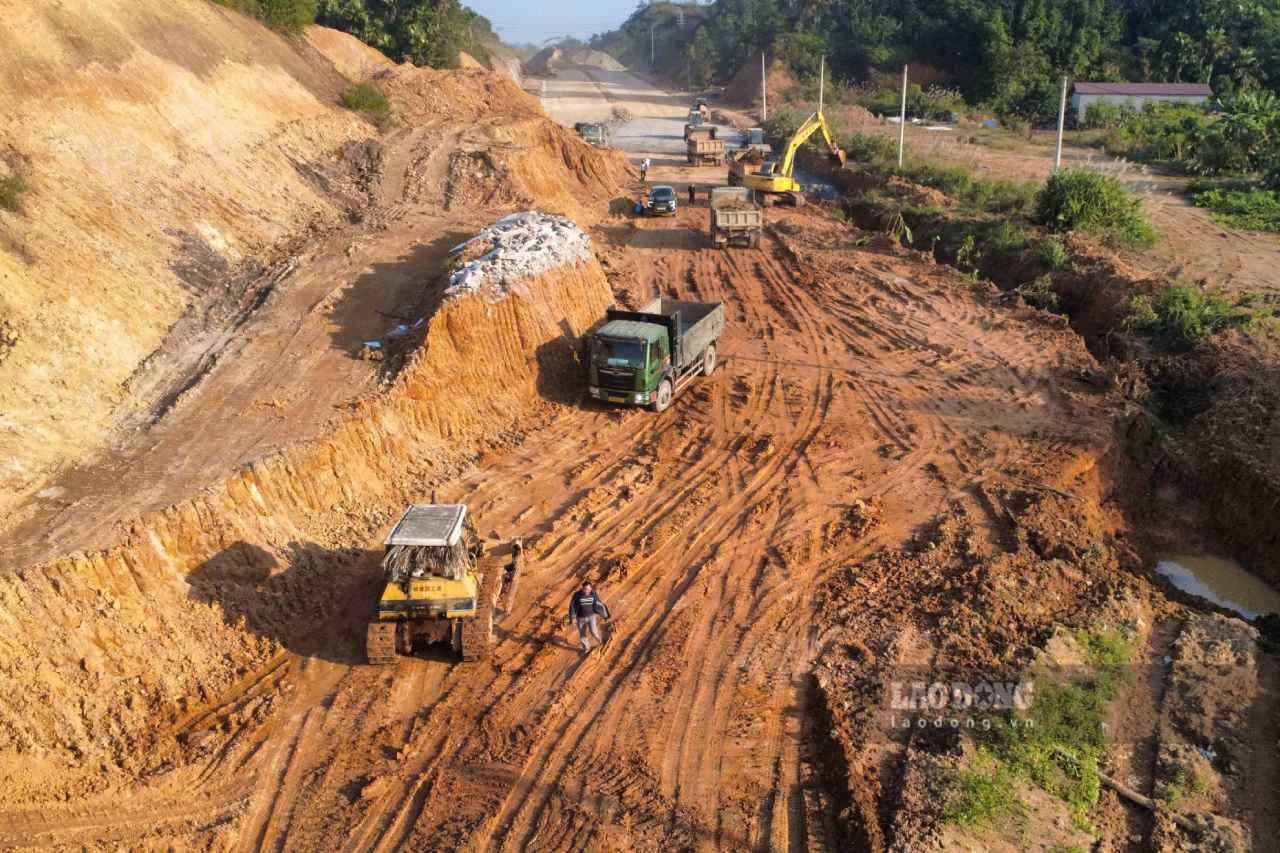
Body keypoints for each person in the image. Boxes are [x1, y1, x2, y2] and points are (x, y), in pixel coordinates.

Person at [567, 580, 611, 654]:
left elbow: (599, 604)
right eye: (585, 589)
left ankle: (601, 641)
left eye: (588, 589)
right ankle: (587, 648)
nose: (586, 591)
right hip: (580, 618)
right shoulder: (577, 595)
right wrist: (572, 617)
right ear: (582, 588)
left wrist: (605, 615)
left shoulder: (593, 595)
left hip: (591, 617)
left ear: (591, 588)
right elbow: (572, 606)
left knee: (594, 632)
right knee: (582, 635)